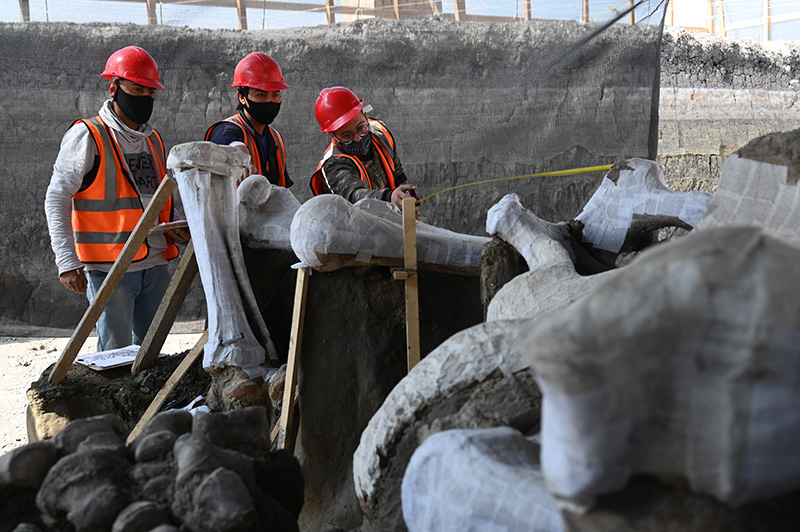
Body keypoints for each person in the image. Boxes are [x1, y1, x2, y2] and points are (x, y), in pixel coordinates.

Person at [44, 45, 189, 352]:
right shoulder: (88, 135)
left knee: (150, 357)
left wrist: (174, 223)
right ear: (113, 88)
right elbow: (57, 196)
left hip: (155, 265)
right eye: (137, 89)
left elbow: (154, 198)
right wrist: (66, 261)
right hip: (110, 269)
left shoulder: (154, 139)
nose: (146, 97)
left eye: (151, 91)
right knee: (115, 358)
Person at [311, 86, 419, 214]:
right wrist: (389, 197)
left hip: (390, 219)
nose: (357, 138)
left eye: (361, 128)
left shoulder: (381, 134)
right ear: (333, 135)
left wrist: (406, 199)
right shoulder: (334, 165)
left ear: (365, 115)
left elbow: (398, 173)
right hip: (356, 229)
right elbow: (355, 196)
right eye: (347, 135)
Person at [205, 52, 292, 188]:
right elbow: (231, 144)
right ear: (242, 97)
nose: (270, 101)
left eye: (275, 95)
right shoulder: (226, 129)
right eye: (261, 95)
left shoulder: (276, 138)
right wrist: (242, 162)